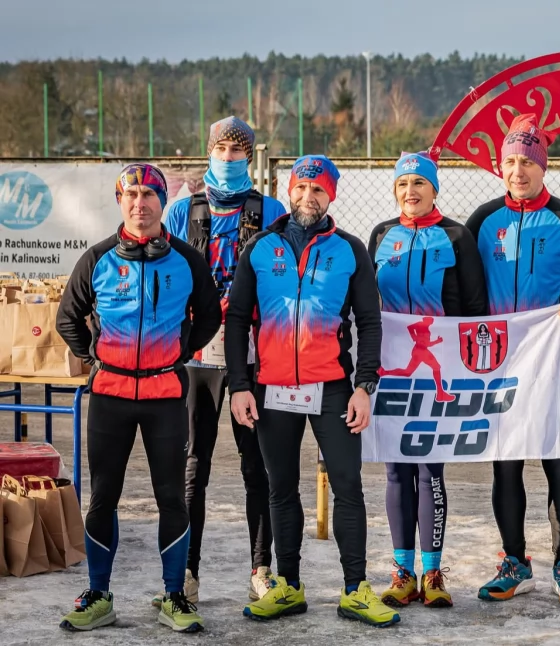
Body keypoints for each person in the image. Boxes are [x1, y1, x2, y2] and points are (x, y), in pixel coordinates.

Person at [225, 155, 398, 627]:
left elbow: (369, 322)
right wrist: (240, 385)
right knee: (281, 488)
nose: (308, 197)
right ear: (289, 190)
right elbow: (237, 319)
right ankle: (288, 585)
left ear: (331, 196)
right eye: (301, 188)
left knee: (347, 486)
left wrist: (364, 387)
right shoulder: (260, 247)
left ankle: (355, 589)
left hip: (333, 387)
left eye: (318, 189)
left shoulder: (350, 249)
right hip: (272, 389)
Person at [56, 163, 222, 633]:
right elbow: (68, 318)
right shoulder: (98, 258)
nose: (140, 202)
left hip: (165, 395)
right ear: (120, 201)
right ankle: (98, 595)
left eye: (150, 194)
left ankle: (174, 595)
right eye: (131, 194)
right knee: (103, 497)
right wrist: (96, 356)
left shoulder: (187, 260)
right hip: (110, 395)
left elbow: (209, 316)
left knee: (172, 497)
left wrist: (179, 350)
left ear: (162, 203)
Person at [465, 114, 560, 605]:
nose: (518, 171)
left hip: (552, 366)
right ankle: (514, 561)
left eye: (528, 162)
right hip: (498, 368)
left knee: (559, 466)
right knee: (506, 468)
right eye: (510, 162)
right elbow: (466, 290)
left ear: (543, 167)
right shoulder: (482, 221)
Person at [161, 116, 288, 606]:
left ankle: (260, 568)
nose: (230, 158)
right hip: (197, 356)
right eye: (222, 149)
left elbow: (283, 276)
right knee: (195, 465)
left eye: (238, 151)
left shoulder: (270, 210)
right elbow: (166, 274)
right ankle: (187, 570)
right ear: (208, 151)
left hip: (252, 356)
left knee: (257, 465)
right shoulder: (183, 210)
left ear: (250, 156)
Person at [368, 151, 488, 609]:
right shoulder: (382, 234)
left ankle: (433, 572)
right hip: (393, 368)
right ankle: (403, 572)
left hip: (442, 367)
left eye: (419, 183)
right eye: (403, 184)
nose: (410, 191)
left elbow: (475, 308)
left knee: (429, 469)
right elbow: (368, 302)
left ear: (434, 189)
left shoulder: (456, 236)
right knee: (396, 470)